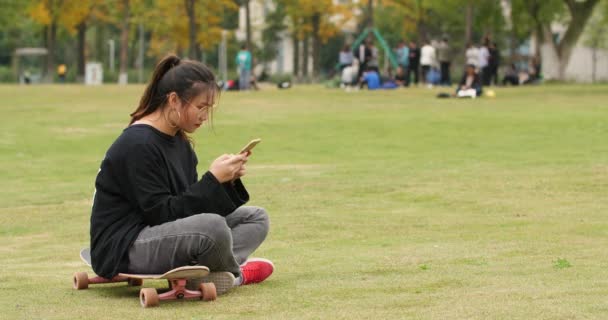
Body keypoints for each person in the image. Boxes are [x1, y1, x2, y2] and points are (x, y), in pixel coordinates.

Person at [89, 55, 274, 296]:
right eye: (200, 107)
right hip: (127, 245)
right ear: (174, 100)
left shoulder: (180, 143)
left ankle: (209, 274)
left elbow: (186, 207)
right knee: (213, 227)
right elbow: (161, 214)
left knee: (255, 218)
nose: (205, 117)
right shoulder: (138, 144)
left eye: (209, 109)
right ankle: (235, 274)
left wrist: (224, 182)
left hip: (164, 235)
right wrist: (212, 180)